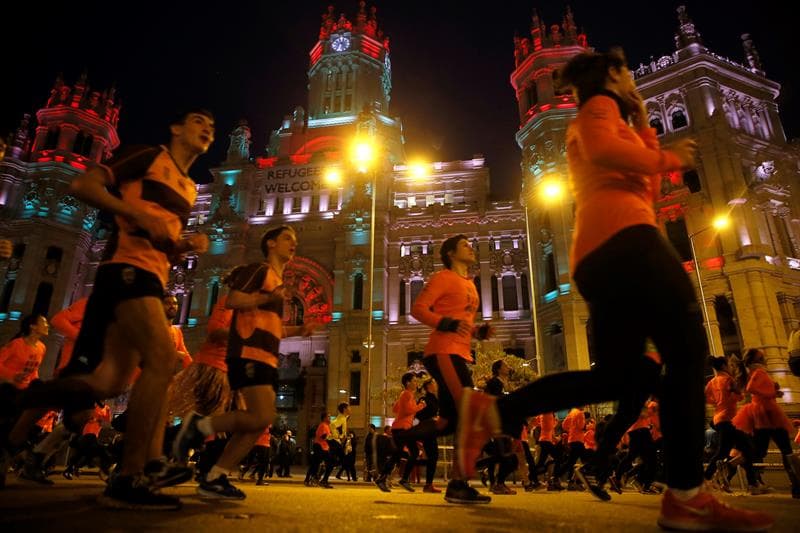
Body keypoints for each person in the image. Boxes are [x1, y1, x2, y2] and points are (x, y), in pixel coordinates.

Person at [440, 49, 773, 531]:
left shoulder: (613, 113)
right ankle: (686, 494)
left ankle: (496, 411)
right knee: (687, 351)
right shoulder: (599, 108)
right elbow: (604, 151)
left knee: (619, 376)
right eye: (627, 72)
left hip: (600, 252)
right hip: (629, 240)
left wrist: (642, 121)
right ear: (612, 76)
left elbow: (639, 181)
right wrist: (665, 156)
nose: (633, 79)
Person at [4, 109, 215, 509]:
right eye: (197, 120)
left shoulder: (188, 187)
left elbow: (160, 240)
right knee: (161, 357)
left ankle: (10, 408)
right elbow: (85, 184)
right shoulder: (147, 157)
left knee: (109, 383)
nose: (207, 128)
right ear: (175, 126)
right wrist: (133, 212)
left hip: (151, 277)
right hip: (125, 271)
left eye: (212, 126)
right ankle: (136, 471)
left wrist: (185, 244)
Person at [173, 225, 320, 499]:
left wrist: (300, 331)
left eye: (295, 240)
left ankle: (215, 477)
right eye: (287, 238)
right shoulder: (260, 270)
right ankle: (198, 429)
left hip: (265, 356)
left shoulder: (277, 282)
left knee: (257, 423)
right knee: (262, 417)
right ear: (271, 244)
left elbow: (272, 327)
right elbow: (235, 300)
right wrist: (266, 297)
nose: (293, 244)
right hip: (247, 354)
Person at [0, 314, 49, 391]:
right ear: (33, 326)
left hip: (24, 390)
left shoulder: (42, 347)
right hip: (6, 388)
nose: (47, 326)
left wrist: (36, 385)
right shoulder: (16, 344)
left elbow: (34, 370)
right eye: (44, 322)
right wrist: (13, 375)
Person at [416, 377, 441, 493]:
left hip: (431, 430)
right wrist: (430, 418)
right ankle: (428, 484)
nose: (436, 385)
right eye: (434, 383)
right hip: (426, 430)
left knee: (433, 456)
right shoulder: (424, 399)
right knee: (433, 455)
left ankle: (428, 484)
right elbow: (417, 414)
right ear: (429, 386)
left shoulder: (435, 399)